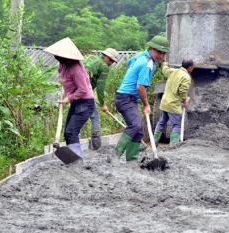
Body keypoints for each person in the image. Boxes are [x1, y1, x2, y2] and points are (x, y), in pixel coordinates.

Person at [109, 35, 170, 164]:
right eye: (160, 52)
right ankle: (114, 155)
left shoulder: (142, 55)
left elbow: (129, 62)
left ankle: (131, 160)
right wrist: (146, 105)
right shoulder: (147, 64)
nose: (162, 56)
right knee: (135, 125)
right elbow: (140, 87)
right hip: (126, 98)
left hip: (127, 98)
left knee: (138, 130)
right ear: (152, 49)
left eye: (164, 53)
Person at [45, 37, 95, 157]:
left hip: (85, 103)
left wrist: (68, 99)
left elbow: (83, 90)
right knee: (67, 133)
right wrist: (65, 94)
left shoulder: (76, 69)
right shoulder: (62, 66)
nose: (56, 58)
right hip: (76, 102)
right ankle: (72, 158)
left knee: (71, 131)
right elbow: (66, 83)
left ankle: (76, 160)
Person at [83, 48, 119, 150]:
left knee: (78, 115)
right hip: (85, 92)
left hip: (77, 91)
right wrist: (103, 104)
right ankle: (97, 146)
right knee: (94, 116)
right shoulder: (103, 66)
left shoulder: (91, 58)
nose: (111, 63)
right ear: (105, 57)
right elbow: (100, 87)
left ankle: (73, 143)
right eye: (111, 60)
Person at [153, 59, 194, 145]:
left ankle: (154, 142)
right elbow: (183, 91)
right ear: (190, 67)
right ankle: (173, 146)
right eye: (192, 67)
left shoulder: (173, 71)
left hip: (164, 103)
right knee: (176, 125)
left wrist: (164, 64)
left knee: (161, 122)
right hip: (173, 105)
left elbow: (165, 70)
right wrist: (184, 101)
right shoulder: (186, 77)